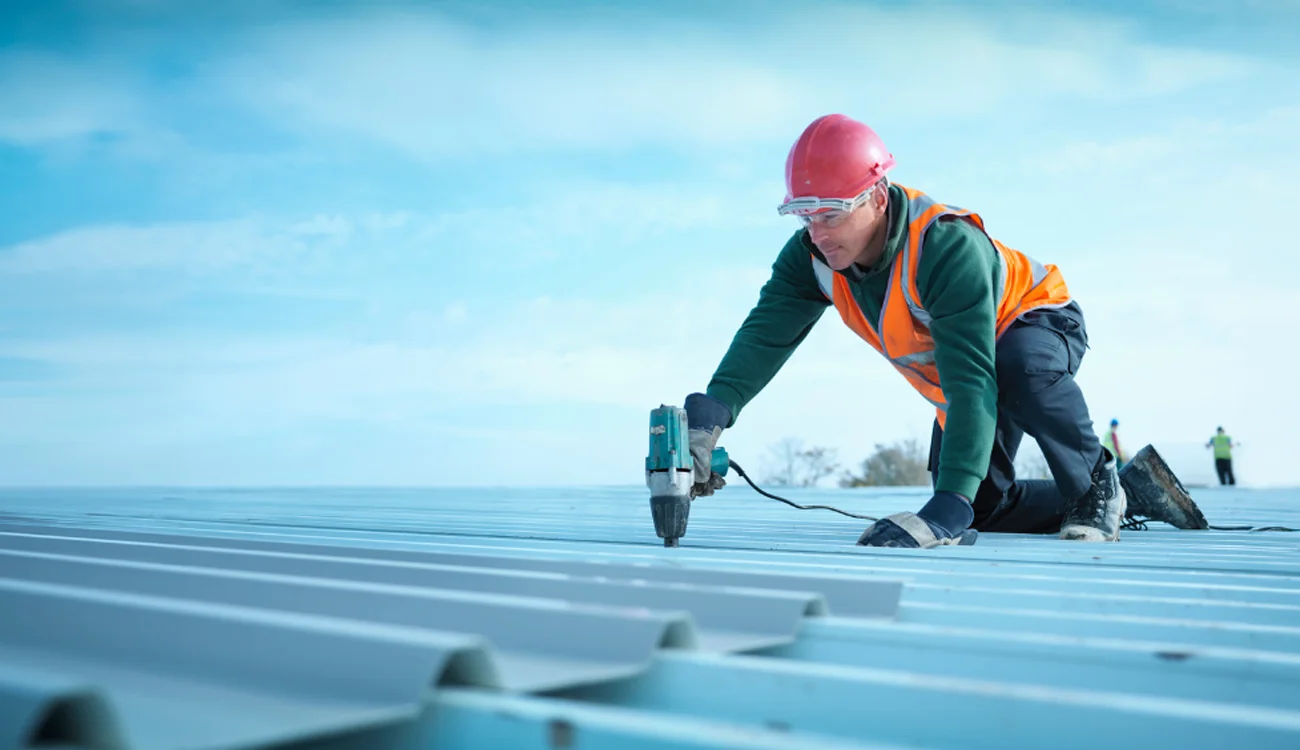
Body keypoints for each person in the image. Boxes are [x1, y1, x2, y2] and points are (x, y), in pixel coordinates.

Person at [680, 113, 1186, 549]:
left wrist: (945, 506)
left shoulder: (944, 247)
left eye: (832, 213)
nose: (818, 231)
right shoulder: (811, 259)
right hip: (972, 365)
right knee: (980, 505)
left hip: (1038, 319)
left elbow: (969, 378)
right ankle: (1130, 490)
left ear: (876, 197)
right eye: (804, 214)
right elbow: (764, 336)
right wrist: (713, 412)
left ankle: (1096, 483)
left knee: (1015, 374)